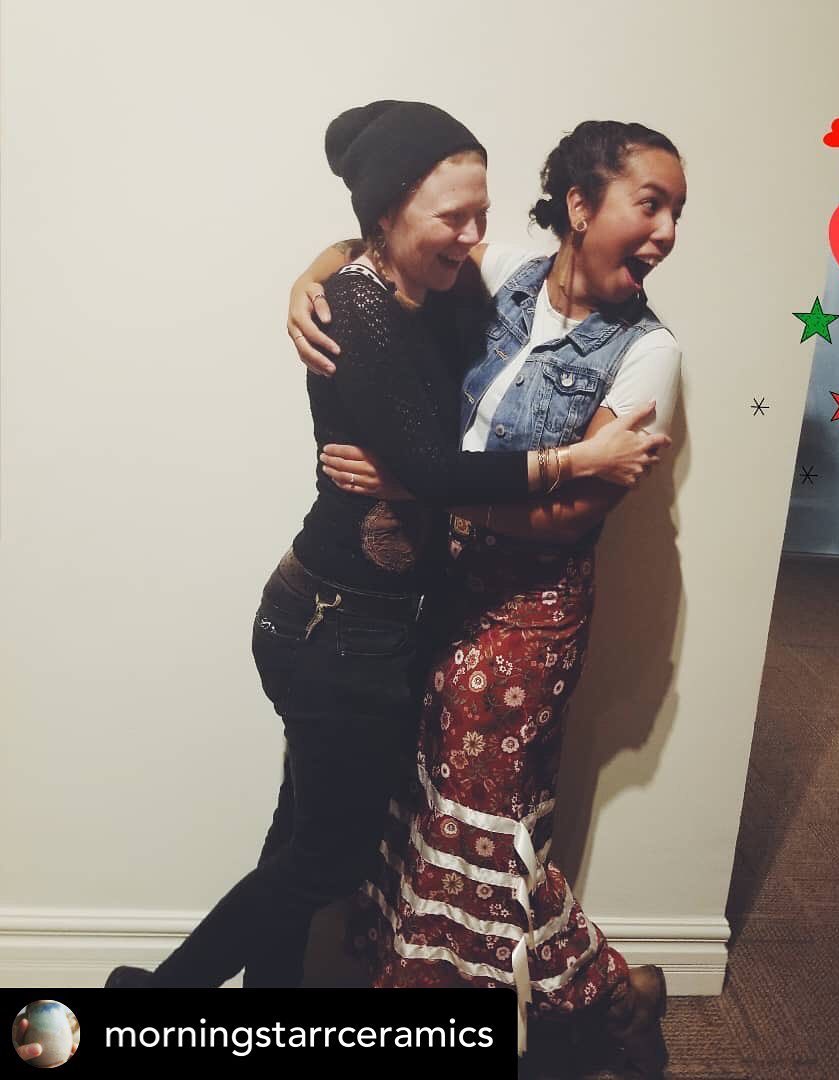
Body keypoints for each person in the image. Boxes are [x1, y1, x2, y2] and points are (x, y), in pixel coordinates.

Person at [103, 102, 666, 993]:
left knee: (301, 838)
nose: (474, 237)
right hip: (335, 623)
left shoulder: (436, 290)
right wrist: (577, 458)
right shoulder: (361, 310)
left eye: (482, 214)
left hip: (367, 618)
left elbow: (432, 468)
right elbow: (433, 468)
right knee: (328, 857)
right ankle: (153, 1000)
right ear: (387, 213)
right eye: (454, 217)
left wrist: (315, 266)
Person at [286, 120, 686, 1077]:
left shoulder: (650, 354)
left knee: (479, 834)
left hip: (528, 619)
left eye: (678, 213)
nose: (668, 232)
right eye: (651, 204)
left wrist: (418, 484)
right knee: (424, 813)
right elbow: (391, 245)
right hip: (432, 590)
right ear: (580, 207)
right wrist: (313, 273)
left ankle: (513, 1008)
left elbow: (570, 515)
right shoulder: (501, 271)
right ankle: (608, 994)